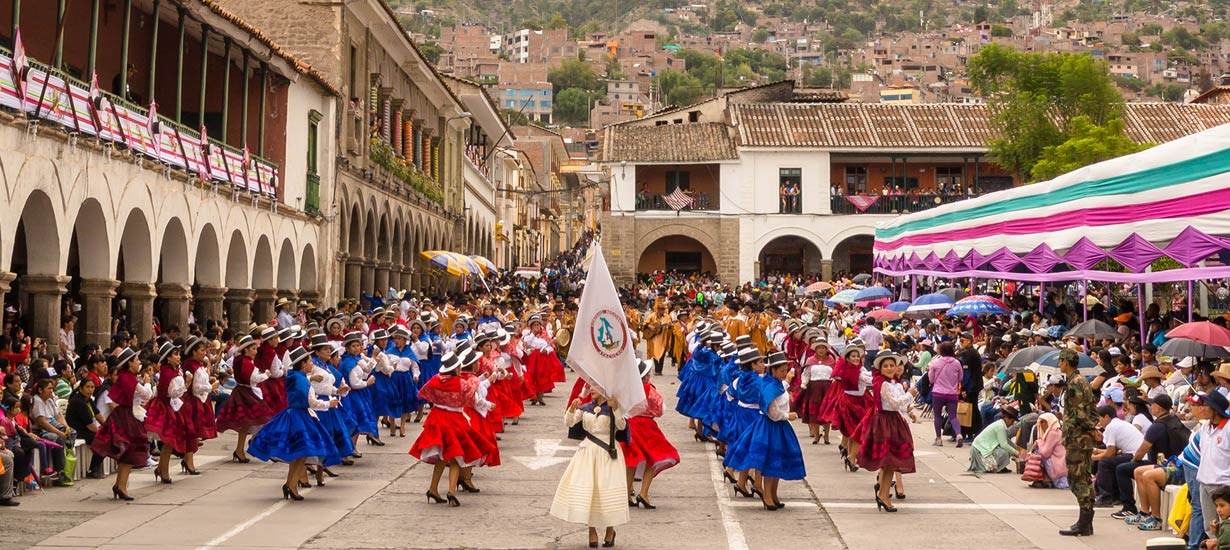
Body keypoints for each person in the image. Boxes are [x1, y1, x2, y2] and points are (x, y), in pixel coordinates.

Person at [247, 346, 342, 501]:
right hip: (300, 416)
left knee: (300, 454)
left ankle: (291, 484)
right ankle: (291, 485)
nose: (312, 364)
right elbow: (310, 401)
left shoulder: (296, 377)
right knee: (301, 452)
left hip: (296, 415)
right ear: (303, 364)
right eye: (310, 361)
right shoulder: (301, 380)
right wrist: (328, 404)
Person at [409, 351, 494, 507]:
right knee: (456, 456)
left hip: (437, 417)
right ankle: (451, 492)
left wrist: (440, 400)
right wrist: (487, 402)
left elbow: (423, 393)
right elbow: (473, 397)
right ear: (456, 369)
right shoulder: (461, 383)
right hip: (454, 419)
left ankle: (433, 489)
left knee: (442, 456)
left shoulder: (435, 380)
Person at [724, 351, 806, 511]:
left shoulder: (774, 383)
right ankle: (767, 495)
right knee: (771, 462)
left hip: (778, 427)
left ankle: (773, 494)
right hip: (772, 427)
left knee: (778, 462)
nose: (784, 373)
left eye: (785, 370)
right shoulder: (770, 387)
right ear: (773, 370)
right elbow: (773, 413)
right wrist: (788, 416)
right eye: (781, 371)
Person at [551, 385, 628, 547]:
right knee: (589, 492)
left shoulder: (614, 406)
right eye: (590, 385)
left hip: (608, 453)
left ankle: (610, 529)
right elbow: (569, 422)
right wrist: (571, 409)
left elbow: (622, 426)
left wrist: (616, 410)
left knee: (606, 491)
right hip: (587, 453)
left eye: (595, 386)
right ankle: (591, 531)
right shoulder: (586, 408)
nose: (590, 388)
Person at [855, 353, 916, 512]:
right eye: (886, 366)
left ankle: (882, 491)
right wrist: (910, 394)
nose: (890, 368)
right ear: (880, 368)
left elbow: (900, 406)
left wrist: (909, 410)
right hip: (886, 423)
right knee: (889, 461)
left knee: (888, 463)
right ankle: (884, 495)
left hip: (893, 421)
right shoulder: (884, 384)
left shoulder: (892, 383)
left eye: (892, 365)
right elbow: (895, 404)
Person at [91, 348, 149, 501]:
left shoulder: (125, 376)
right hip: (126, 416)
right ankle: (121, 486)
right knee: (129, 451)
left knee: (128, 452)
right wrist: (148, 383)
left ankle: (120, 485)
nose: (139, 363)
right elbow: (146, 395)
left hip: (124, 414)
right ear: (129, 363)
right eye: (136, 360)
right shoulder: (129, 378)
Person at [621, 359, 679, 509]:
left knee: (632, 460)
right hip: (646, 427)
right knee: (653, 458)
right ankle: (644, 494)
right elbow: (661, 409)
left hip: (630, 424)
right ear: (645, 376)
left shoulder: (627, 388)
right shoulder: (648, 389)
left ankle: (628, 493)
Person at [143, 341, 196, 485]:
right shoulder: (167, 373)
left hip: (171, 407)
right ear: (167, 358)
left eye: (179, 354)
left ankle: (161, 469)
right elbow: (171, 392)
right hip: (166, 407)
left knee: (169, 441)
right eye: (175, 354)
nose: (178, 357)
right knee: (168, 441)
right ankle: (163, 471)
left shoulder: (172, 370)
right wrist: (187, 384)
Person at [215, 335, 273, 463]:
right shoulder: (245, 362)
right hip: (247, 394)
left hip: (243, 392)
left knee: (245, 425)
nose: (256, 351)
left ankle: (240, 449)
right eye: (253, 348)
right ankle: (251, 446)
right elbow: (253, 379)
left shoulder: (241, 360)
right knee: (265, 417)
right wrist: (266, 375)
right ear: (246, 350)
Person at [1059, 349, 1098, 537]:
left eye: (1061, 361)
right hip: (1083, 439)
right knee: (1085, 477)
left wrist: (1089, 428)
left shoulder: (1074, 383)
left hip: (1077, 438)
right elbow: (1092, 411)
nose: (1059, 364)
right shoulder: (1083, 382)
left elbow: (1080, 414)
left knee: (1077, 480)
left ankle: (1084, 522)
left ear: (1066, 362)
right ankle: (1086, 521)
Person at [1195, 390, 1230, 546]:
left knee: (1226, 528)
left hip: (1223, 485)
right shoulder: (1204, 428)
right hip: (1204, 483)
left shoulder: (1228, 428)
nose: (1202, 408)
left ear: (1215, 409)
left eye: (1206, 406)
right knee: (1210, 526)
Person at [1093, 404, 1144, 507]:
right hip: (1135, 454)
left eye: (1100, 419)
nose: (1099, 422)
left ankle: (1105, 497)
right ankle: (1116, 496)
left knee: (1104, 463)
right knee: (1112, 463)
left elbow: (1110, 453)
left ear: (1106, 417)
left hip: (1135, 455)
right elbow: (1113, 451)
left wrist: (1092, 458)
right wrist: (1095, 451)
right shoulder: (1118, 424)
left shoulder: (1111, 427)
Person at [795, 335, 834, 445]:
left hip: (827, 389)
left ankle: (826, 435)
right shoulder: (810, 360)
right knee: (815, 412)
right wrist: (803, 384)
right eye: (819, 348)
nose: (821, 350)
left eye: (823, 348)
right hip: (814, 388)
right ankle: (816, 435)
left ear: (826, 349)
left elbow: (835, 375)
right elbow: (806, 374)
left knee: (827, 412)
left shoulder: (831, 361)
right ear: (815, 349)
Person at [66, 377, 105, 478]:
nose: (90, 389)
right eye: (87, 387)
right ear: (81, 388)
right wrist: (103, 433)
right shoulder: (78, 401)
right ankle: (93, 469)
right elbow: (90, 426)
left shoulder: (88, 400)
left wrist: (108, 428)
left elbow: (98, 415)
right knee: (102, 440)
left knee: (106, 436)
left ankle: (95, 468)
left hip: (86, 430)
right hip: (77, 431)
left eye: (92, 387)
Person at [927, 342, 964, 447]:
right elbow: (960, 378)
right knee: (953, 416)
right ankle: (958, 435)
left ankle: (938, 439)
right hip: (952, 393)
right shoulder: (957, 363)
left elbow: (931, 379)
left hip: (938, 393)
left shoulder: (935, 363)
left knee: (937, 416)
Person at [967, 406, 1021, 474]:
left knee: (1008, 450)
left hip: (980, 448)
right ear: (1007, 418)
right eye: (1012, 421)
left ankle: (1001, 466)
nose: (1012, 424)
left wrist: (1016, 448)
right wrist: (1017, 453)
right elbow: (1004, 445)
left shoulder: (1000, 424)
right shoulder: (1000, 426)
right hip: (979, 450)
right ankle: (997, 466)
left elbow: (1006, 441)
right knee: (1004, 453)